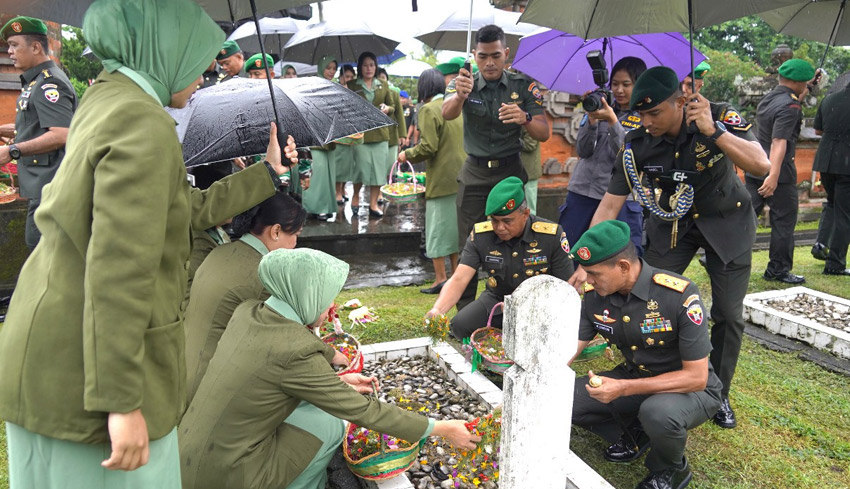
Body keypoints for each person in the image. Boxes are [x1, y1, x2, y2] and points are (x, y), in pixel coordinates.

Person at [0, 1, 300, 487]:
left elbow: (181, 209)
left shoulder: (109, 99)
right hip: (90, 375)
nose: (204, 73)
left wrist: (267, 172)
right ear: (162, 49)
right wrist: (122, 401)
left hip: (54, 354)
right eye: (195, 57)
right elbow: (118, 266)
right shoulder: (143, 122)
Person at [179, 247, 480, 489]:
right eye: (326, 297)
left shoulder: (250, 312)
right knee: (329, 423)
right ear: (305, 294)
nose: (331, 306)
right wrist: (442, 428)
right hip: (230, 475)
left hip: (189, 453)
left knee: (314, 409)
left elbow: (272, 375)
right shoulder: (294, 348)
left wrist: (340, 379)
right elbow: (364, 412)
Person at [575, 67, 770, 430]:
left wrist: (714, 131)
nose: (647, 121)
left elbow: (761, 163)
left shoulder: (719, 115)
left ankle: (717, 393)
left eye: (655, 113)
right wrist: (587, 262)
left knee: (727, 313)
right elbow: (610, 203)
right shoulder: (636, 143)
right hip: (673, 226)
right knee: (641, 294)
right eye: (642, 114)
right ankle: (643, 376)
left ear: (681, 102)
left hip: (727, 222)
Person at [569, 220, 721, 489]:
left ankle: (671, 469)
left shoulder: (678, 294)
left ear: (624, 267)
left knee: (658, 413)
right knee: (566, 400)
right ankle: (635, 433)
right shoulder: (596, 295)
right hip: (637, 377)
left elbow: (697, 378)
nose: (587, 281)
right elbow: (571, 347)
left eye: (594, 274)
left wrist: (623, 388)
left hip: (691, 389)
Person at [442, 25, 549, 309]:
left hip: (509, 172)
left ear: (506, 54)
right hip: (474, 172)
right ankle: (464, 311)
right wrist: (459, 97)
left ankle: (516, 304)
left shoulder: (523, 87)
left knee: (516, 238)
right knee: (468, 240)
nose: (489, 63)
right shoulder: (462, 82)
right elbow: (446, 113)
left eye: (495, 55)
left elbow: (543, 132)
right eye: (483, 56)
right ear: (474, 55)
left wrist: (525, 117)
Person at [184, 192, 307, 406]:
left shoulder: (222, 251)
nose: (295, 243)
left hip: (183, 365)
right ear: (276, 231)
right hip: (206, 385)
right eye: (295, 234)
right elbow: (284, 341)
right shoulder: (261, 274)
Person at [426, 177, 573, 340]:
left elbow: (565, 288)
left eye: (507, 221)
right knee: (460, 325)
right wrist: (437, 310)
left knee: (535, 339)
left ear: (525, 214)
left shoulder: (551, 236)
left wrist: (529, 308)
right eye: (494, 221)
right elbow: (460, 278)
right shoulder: (481, 235)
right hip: (497, 300)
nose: (500, 228)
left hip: (539, 305)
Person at [559, 56, 647, 260]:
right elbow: (583, 150)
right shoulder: (599, 106)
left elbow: (628, 156)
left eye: (626, 84)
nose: (619, 90)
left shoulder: (646, 117)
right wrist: (590, 120)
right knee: (571, 253)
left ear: (639, 85)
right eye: (615, 84)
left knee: (618, 257)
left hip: (619, 199)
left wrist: (613, 121)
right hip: (581, 192)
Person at [0, 16, 76, 251]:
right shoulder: (36, 82)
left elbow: (62, 133)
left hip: (51, 187)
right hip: (42, 186)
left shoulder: (48, 83)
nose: (10, 51)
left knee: (41, 255)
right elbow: (36, 126)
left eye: (14, 45)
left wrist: (12, 150)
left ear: (35, 47)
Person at [747, 58, 815, 285]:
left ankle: (719, 258)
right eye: (804, 83)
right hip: (779, 174)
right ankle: (778, 270)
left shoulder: (770, 99)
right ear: (796, 82)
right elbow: (779, 141)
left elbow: (794, 100)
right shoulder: (791, 106)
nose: (805, 86)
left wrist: (810, 87)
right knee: (784, 223)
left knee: (743, 218)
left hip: (755, 166)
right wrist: (774, 176)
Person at [398, 68, 465, 294]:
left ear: (422, 89)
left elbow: (428, 147)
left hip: (441, 180)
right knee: (454, 231)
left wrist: (406, 154)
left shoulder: (427, 109)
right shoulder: (454, 105)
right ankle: (457, 276)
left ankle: (440, 279)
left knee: (436, 231)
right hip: (461, 177)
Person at [347, 52, 394, 217]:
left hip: (381, 134)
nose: (369, 68)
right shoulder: (352, 84)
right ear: (360, 67)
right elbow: (347, 107)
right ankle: (355, 196)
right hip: (361, 134)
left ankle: (373, 205)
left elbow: (392, 106)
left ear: (376, 66)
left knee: (378, 172)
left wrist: (388, 109)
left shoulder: (383, 84)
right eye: (365, 65)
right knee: (360, 169)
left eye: (372, 65)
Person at [811, 82, 850, 276]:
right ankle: (835, 263)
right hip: (846, 163)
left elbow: (818, 130)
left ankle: (821, 245)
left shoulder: (829, 99)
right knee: (845, 214)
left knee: (832, 204)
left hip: (826, 160)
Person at [303, 55, 340, 220]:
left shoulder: (336, 87)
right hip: (315, 138)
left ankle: (326, 206)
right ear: (321, 68)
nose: (331, 71)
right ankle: (312, 208)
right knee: (316, 174)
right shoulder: (312, 86)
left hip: (330, 139)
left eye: (334, 68)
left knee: (328, 174)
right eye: (328, 68)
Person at [520, 127, 541, 214]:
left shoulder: (530, 123)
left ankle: (531, 226)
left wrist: (510, 140)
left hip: (529, 172)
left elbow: (530, 145)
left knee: (530, 208)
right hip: (520, 171)